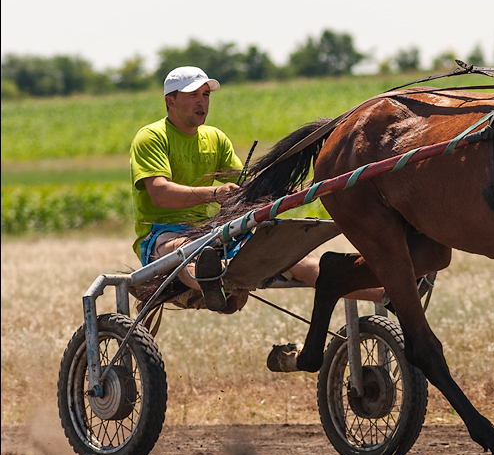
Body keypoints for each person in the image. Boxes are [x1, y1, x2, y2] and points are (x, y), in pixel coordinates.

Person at [130, 66, 386, 314]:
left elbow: (248, 186)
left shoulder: (215, 138)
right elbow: (160, 193)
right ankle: (214, 285)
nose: (202, 101)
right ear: (170, 101)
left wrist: (296, 189)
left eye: (206, 94)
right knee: (186, 251)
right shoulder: (152, 137)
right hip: (161, 235)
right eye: (193, 94)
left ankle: (388, 294)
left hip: (209, 233)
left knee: (299, 259)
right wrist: (215, 194)